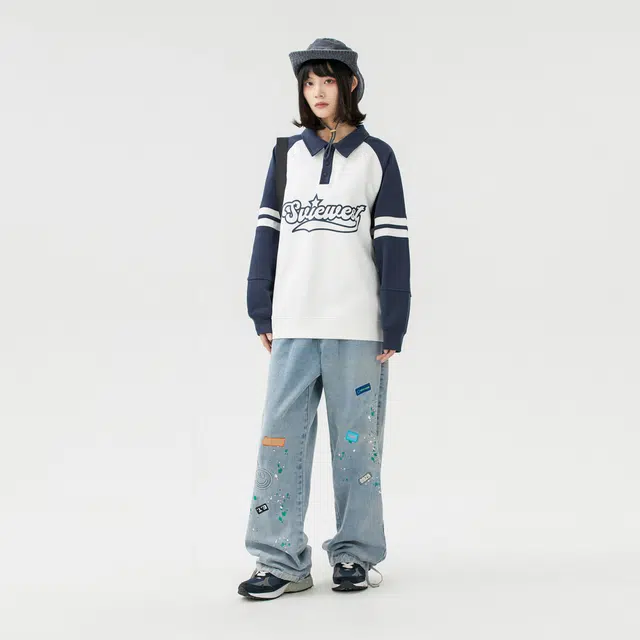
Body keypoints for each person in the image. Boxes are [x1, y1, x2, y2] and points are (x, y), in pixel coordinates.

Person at [239, 37, 411, 600]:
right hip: (293, 321)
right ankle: (279, 559)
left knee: (356, 445)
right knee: (279, 439)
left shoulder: (377, 156)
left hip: (358, 326)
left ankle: (355, 553)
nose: (317, 92)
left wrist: (395, 319)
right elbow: (267, 233)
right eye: (309, 82)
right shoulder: (285, 155)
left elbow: (392, 243)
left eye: (327, 81)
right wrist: (260, 306)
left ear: (350, 86)